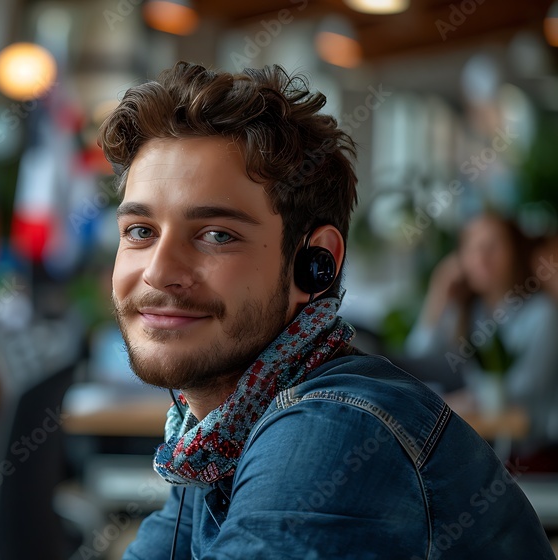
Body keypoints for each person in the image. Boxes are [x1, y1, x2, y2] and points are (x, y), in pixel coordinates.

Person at [99, 62, 551, 558]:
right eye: (140, 231)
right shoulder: (219, 433)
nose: (159, 271)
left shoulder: (333, 431)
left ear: (315, 265)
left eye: (217, 235)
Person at [406, 213, 558, 462]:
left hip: (526, 453)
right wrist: (438, 292)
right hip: (476, 445)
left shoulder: (542, 313)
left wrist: (465, 400)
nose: (482, 258)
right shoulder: (466, 310)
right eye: (472, 248)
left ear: (515, 252)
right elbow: (417, 360)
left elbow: (526, 388)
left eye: (492, 247)